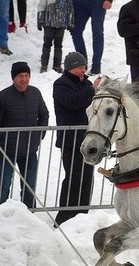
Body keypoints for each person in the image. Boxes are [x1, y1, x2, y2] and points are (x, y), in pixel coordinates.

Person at [0, 62, 49, 208]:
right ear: (13, 78)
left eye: (27, 75)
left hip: (30, 150)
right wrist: (6, 141)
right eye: (20, 76)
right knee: (4, 185)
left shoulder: (35, 93)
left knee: (29, 186)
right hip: (8, 151)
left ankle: (29, 214)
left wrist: (39, 134)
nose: (24, 79)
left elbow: (44, 115)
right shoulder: (2, 96)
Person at [52, 52, 100, 226]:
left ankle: (82, 215)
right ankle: (64, 217)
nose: (83, 70)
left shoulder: (86, 83)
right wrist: (92, 90)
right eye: (80, 67)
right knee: (73, 177)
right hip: (70, 140)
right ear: (70, 67)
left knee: (87, 178)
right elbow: (73, 102)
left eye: (84, 67)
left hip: (88, 140)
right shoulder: (61, 84)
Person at [70, 0, 113, 75]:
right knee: (75, 32)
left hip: (98, 3)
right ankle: (82, 62)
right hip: (79, 3)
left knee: (97, 33)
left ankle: (96, 66)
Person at [37, 0, 74, 74]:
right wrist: (40, 20)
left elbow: (70, 8)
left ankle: (57, 65)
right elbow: (41, 6)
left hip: (61, 24)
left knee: (58, 45)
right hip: (49, 24)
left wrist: (70, 22)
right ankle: (44, 65)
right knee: (47, 44)